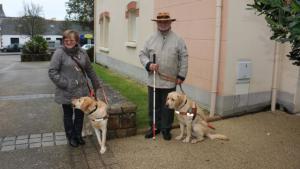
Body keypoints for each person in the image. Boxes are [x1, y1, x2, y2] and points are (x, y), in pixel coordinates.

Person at [139, 12, 188, 140]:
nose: (163, 24)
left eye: (166, 21)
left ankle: (166, 128)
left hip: (169, 81)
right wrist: (149, 64)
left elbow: (184, 58)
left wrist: (181, 75)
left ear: (170, 22)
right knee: (154, 106)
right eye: (160, 22)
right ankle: (154, 127)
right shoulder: (150, 38)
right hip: (154, 80)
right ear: (157, 23)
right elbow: (142, 54)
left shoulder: (178, 39)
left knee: (169, 107)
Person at [48, 29, 101, 147]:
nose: (68, 42)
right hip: (66, 91)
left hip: (81, 91)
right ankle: (71, 137)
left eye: (71, 40)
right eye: (66, 40)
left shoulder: (82, 52)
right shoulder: (59, 53)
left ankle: (78, 135)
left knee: (80, 114)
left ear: (76, 40)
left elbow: (89, 69)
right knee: (68, 115)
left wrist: (96, 84)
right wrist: (65, 83)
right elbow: (52, 71)